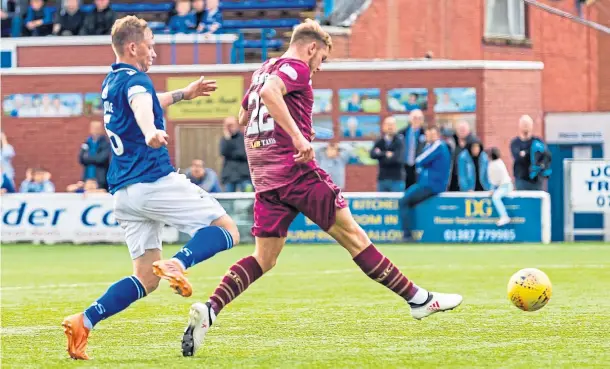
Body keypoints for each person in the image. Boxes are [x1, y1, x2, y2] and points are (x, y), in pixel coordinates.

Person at [179, 19, 462, 358]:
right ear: (311, 47)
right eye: (322, 59)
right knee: (355, 238)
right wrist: (297, 136)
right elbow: (272, 94)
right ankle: (420, 300)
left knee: (264, 258)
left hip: (266, 180)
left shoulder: (262, 70)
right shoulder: (296, 66)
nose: (320, 67)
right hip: (296, 172)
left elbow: (244, 119)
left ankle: (210, 310)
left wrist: (280, 131)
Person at [61, 16, 240, 361]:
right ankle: (179, 262)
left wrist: (183, 94)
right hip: (153, 181)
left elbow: (144, 98)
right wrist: (149, 131)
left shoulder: (112, 81)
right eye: (150, 44)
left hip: (125, 196)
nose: (154, 51)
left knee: (146, 278)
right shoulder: (137, 81)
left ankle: (84, 320)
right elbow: (143, 104)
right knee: (227, 229)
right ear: (133, 47)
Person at [398, 126, 451, 241]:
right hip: (427, 183)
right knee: (407, 202)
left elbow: (419, 160)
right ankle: (409, 234)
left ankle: (407, 236)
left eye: (433, 134)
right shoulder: (430, 146)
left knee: (403, 201)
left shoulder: (438, 145)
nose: (430, 137)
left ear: (438, 135)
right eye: (428, 134)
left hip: (431, 185)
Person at [510, 115, 545, 191]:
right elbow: (518, 158)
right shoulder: (515, 143)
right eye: (524, 123)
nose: (525, 126)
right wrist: (530, 153)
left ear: (532, 126)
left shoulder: (538, 141)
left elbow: (541, 157)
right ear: (519, 126)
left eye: (527, 124)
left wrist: (524, 153)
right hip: (521, 181)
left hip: (536, 181)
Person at [370, 116, 405, 192]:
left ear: (395, 127)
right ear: (383, 127)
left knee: (397, 203)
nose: (390, 127)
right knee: (382, 203)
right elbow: (372, 154)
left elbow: (397, 159)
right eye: (388, 124)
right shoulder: (380, 141)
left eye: (392, 125)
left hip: (396, 180)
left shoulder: (400, 141)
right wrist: (385, 154)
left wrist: (380, 155)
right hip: (382, 179)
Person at [220, 116, 251, 192]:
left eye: (231, 125)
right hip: (229, 175)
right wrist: (228, 139)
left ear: (236, 125)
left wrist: (230, 154)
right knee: (228, 202)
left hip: (244, 175)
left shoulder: (244, 137)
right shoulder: (225, 139)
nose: (229, 127)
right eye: (227, 125)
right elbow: (223, 152)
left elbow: (243, 153)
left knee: (248, 200)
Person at [79, 121, 111, 190]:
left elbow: (101, 159)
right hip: (87, 179)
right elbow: (81, 158)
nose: (95, 130)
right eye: (93, 128)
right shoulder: (86, 142)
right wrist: (95, 158)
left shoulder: (105, 143)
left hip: (100, 180)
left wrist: (87, 158)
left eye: (97, 128)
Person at [487, 147, 513, 226]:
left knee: (495, 197)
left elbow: (494, 180)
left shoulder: (493, 165)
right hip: (506, 185)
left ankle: (504, 216)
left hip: (505, 186)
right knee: (496, 196)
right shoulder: (499, 162)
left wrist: (492, 189)